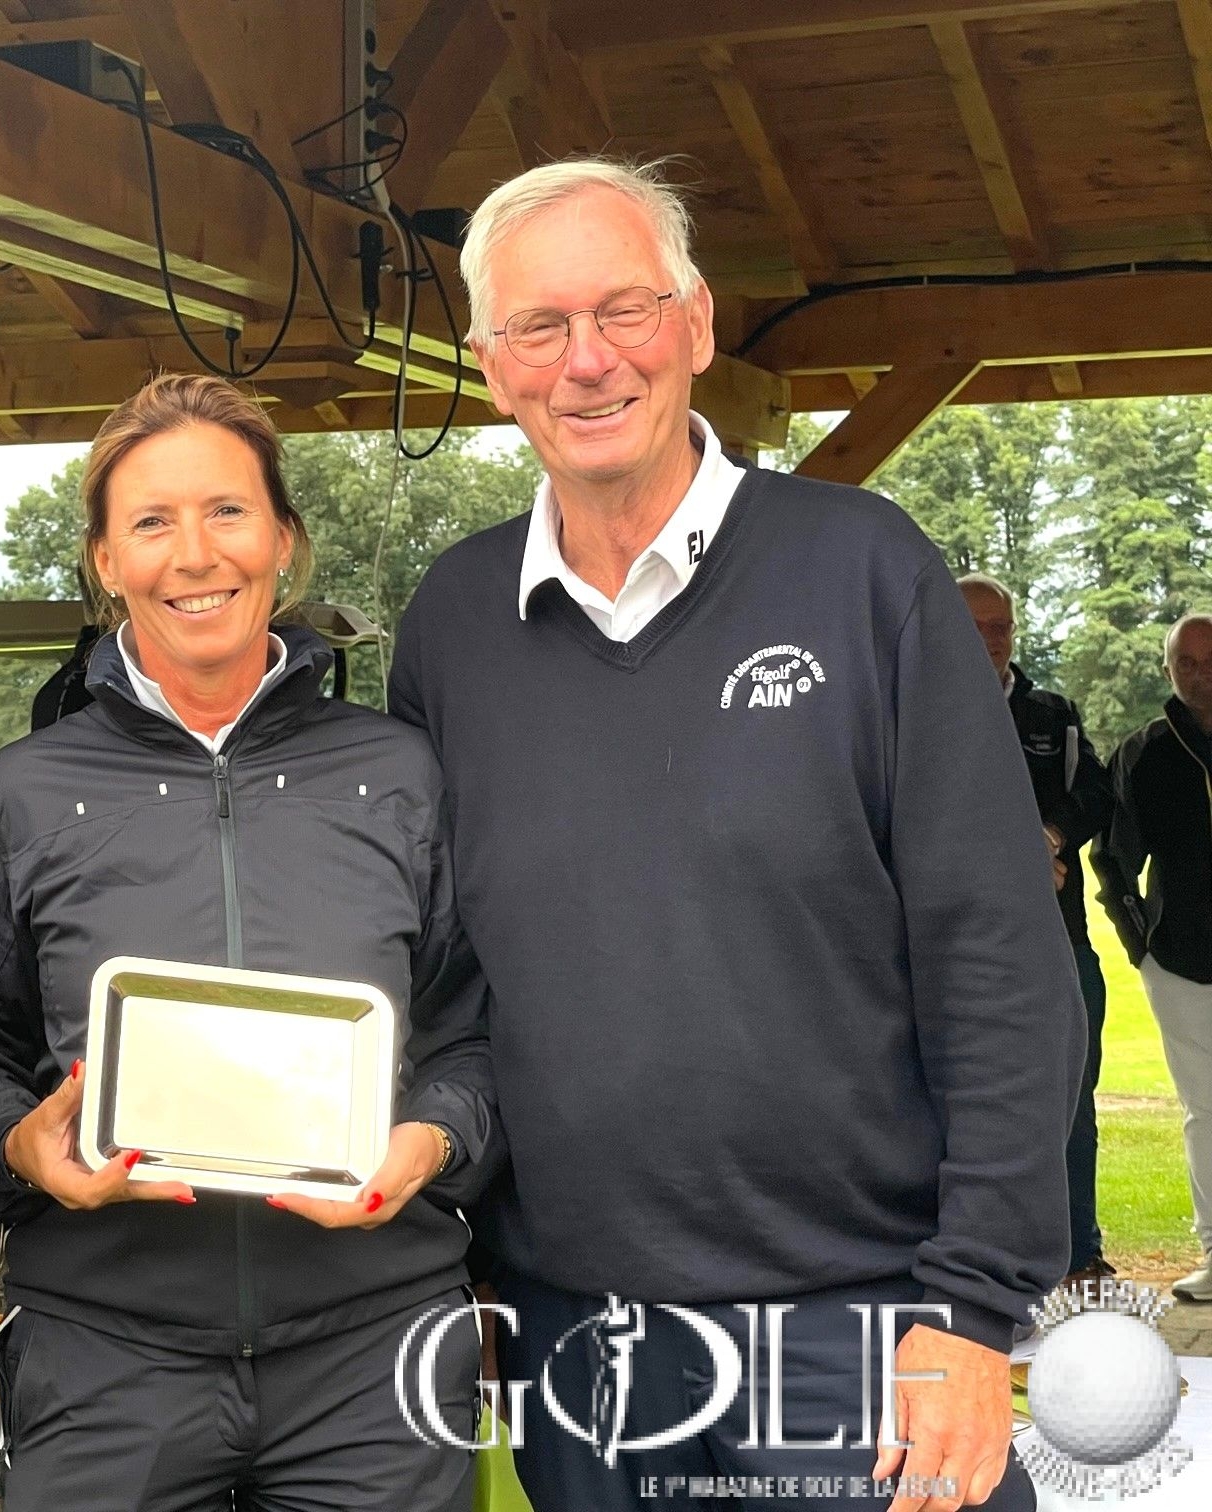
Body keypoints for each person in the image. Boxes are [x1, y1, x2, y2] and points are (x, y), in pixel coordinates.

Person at [388, 158, 1083, 1512]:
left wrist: (975, 1307)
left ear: (697, 322)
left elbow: (996, 954)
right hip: (578, 1340)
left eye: (625, 310)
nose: (589, 360)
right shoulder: (454, 624)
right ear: (491, 367)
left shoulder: (865, 571)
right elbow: (441, 977)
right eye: (540, 326)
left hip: (865, 1328)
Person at [0, 374, 497, 1511]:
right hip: (105, 1357)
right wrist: (21, 1146)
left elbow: (472, 1038)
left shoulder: (401, 774)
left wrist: (430, 1144)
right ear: (106, 561)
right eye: (152, 522)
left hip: (374, 1353)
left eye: (227, 511)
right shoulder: (19, 797)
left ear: (282, 538)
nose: (195, 555)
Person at [957, 572, 1115, 1285]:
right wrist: (1012, 860)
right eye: (977, 626)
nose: (992, 640)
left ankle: (1079, 1252)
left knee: (1071, 1099)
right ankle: (977, 1259)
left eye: (1002, 627)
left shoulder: (1053, 715)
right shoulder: (913, 707)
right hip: (958, 947)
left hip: (1059, 938)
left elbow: (1097, 795)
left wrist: (1049, 838)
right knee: (959, 1104)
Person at [1092, 613, 1212, 1304]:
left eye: (1210, 661)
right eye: (1185, 663)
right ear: (1168, 669)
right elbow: (1112, 856)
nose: (1199, 675)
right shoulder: (1144, 753)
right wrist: (1141, 944)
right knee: (1206, 1109)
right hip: (1182, 960)